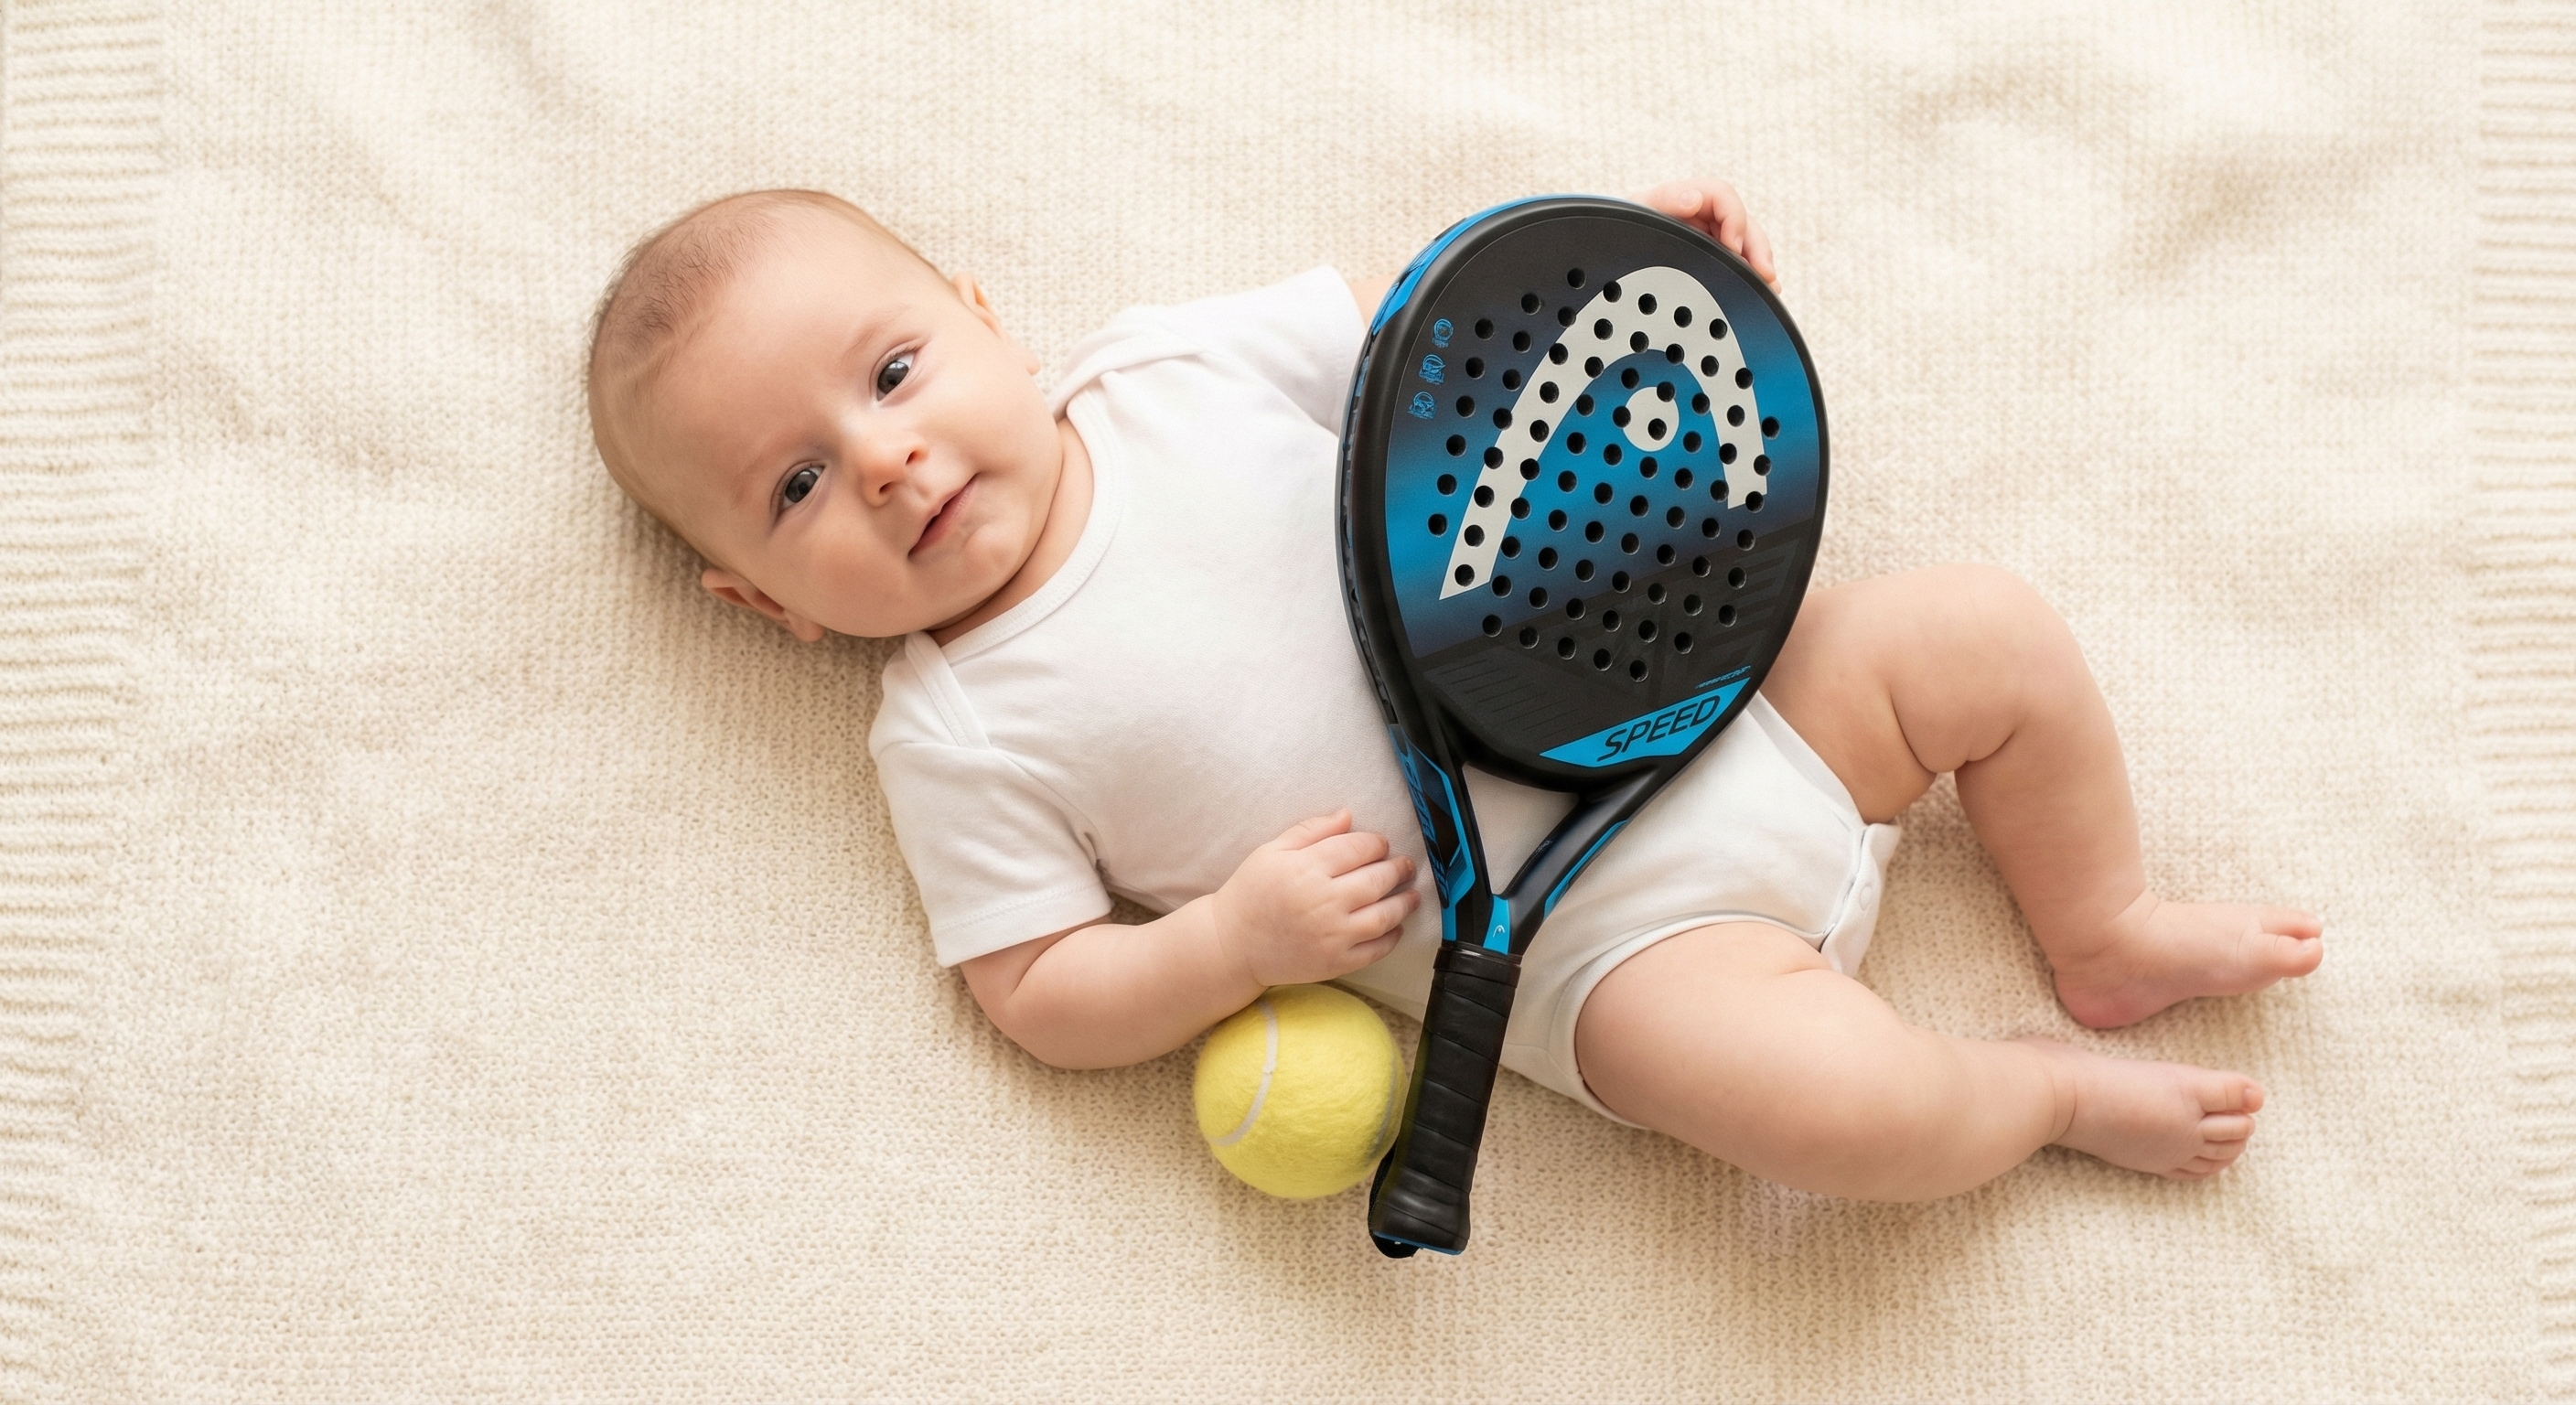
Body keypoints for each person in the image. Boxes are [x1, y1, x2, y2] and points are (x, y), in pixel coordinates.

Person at [582, 178, 2324, 1201]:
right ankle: (2041, 1095)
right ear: (764, 606)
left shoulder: (1176, 368)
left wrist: (1638, 263)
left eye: (893, 370)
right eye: (795, 487)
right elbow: (1034, 987)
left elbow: (1463, 336)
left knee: (1984, 633)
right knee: (1852, 1119)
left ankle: (2100, 922)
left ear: (984, 314)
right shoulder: (953, 727)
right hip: (1599, 954)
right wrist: (1227, 946)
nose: (882, 460)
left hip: (1710, 700)